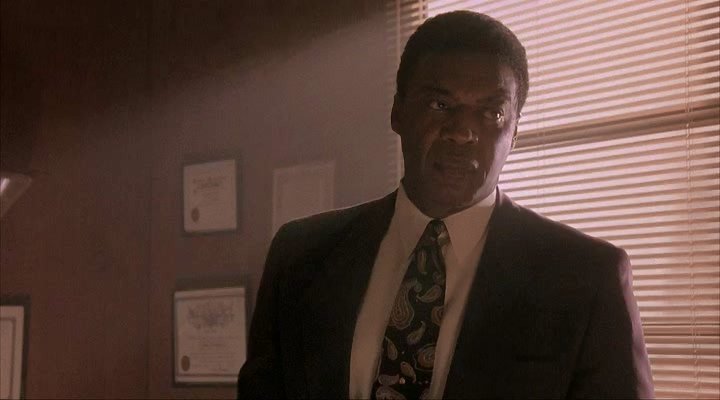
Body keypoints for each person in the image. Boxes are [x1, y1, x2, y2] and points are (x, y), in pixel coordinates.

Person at [237, 10, 654, 399]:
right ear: (397, 111)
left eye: (491, 113)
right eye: (440, 105)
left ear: (514, 132)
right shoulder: (300, 256)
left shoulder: (585, 279)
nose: (461, 132)